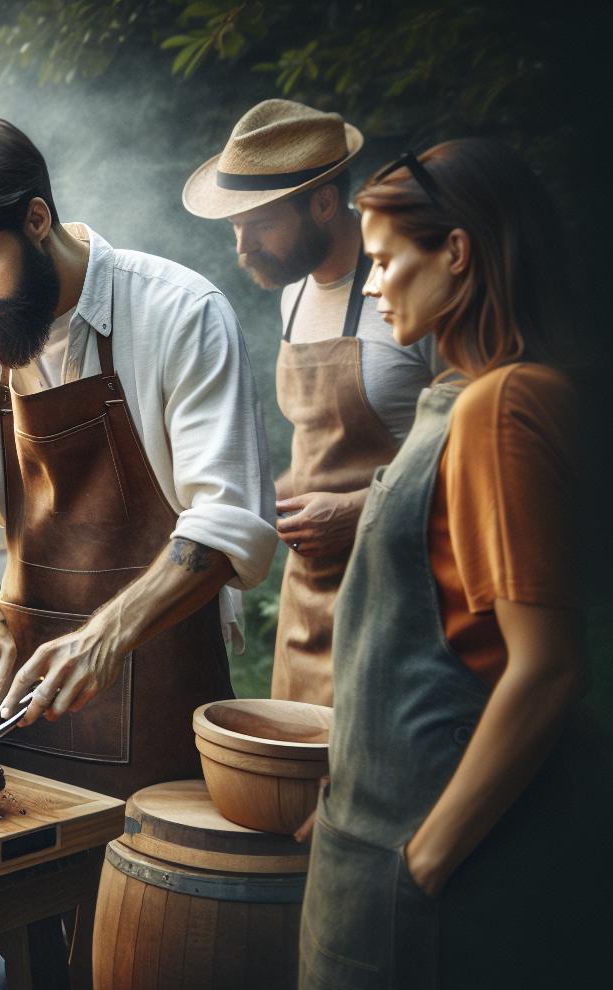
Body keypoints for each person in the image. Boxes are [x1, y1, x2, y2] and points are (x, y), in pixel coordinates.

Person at [295, 140, 604, 990]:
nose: (374, 283)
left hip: (449, 882)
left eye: (387, 260)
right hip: (380, 843)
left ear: (458, 253)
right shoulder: (464, 397)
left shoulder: (505, 406)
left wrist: (423, 858)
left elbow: (547, 669)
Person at [0, 118, 277, 796]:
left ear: (37, 220)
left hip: (164, 702)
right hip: (20, 716)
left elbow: (226, 522)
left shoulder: (180, 314)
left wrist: (104, 639)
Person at [185, 99, 439, 705]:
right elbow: (320, 447)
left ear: (324, 201)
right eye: (234, 227)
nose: (241, 247)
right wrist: (248, 503)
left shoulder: (415, 292)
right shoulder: (293, 294)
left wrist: (357, 511)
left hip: (407, 594)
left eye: (260, 223)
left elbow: (479, 458)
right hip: (310, 596)